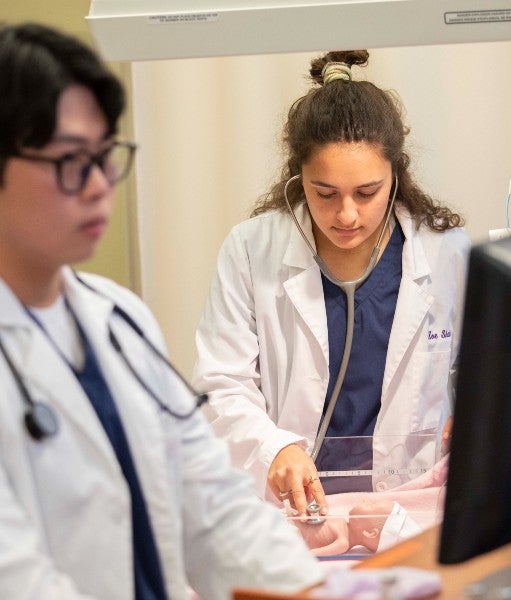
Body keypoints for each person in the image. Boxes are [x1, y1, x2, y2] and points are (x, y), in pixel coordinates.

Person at [0, 22, 322, 600]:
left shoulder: (119, 317)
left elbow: (214, 511)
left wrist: (312, 591)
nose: (99, 187)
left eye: (105, 156)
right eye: (70, 161)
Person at [192, 50, 470, 516]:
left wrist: (477, 417)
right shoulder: (250, 249)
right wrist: (273, 449)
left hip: (411, 502)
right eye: (324, 193)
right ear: (299, 178)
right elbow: (220, 384)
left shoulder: (446, 254)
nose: (346, 214)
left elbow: (489, 372)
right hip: (292, 508)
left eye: (367, 193)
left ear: (395, 177)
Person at [291, 498, 422, 557]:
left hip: (296, 537)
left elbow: (313, 554)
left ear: (370, 532)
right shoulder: (342, 523)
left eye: (371, 505)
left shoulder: (343, 543)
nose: (365, 500)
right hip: (295, 523)